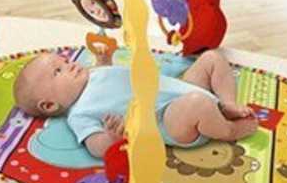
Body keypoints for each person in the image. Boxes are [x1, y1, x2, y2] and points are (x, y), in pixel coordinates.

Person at [13, 49, 258, 158]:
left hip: (179, 88)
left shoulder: (92, 73)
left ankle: (227, 103)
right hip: (169, 119)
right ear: (49, 105)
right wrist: (111, 138)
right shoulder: (79, 114)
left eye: (65, 61)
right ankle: (229, 129)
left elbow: (108, 75)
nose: (70, 65)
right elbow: (95, 147)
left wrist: (104, 59)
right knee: (197, 104)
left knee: (212, 59)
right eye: (58, 71)